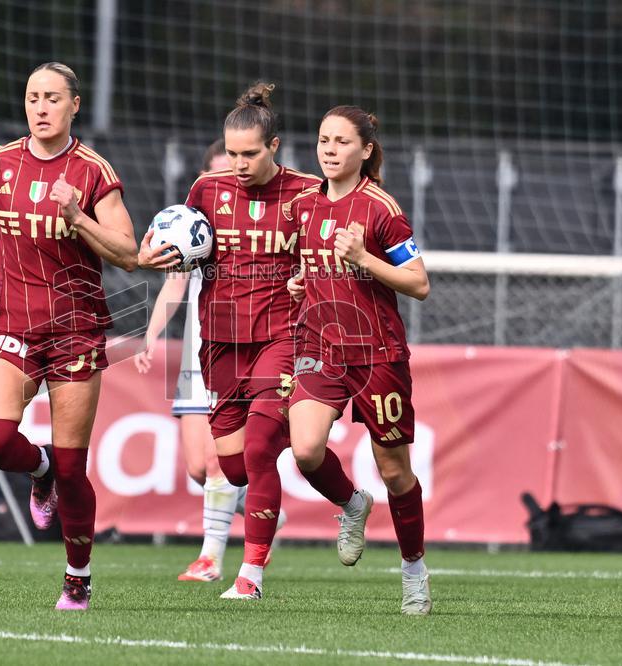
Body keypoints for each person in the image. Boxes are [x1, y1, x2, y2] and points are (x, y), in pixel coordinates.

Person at [0, 62, 137, 611]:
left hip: (76, 332)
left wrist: (78, 217)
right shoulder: (0, 162)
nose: (40, 107)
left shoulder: (92, 172)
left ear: (74, 105)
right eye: (32, 97)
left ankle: (77, 576)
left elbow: (128, 253)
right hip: (12, 322)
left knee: (76, 468)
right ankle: (40, 469)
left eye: (52, 98)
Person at [139, 83, 320, 600]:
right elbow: (185, 257)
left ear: (275, 146)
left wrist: (307, 279)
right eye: (232, 153)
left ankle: (250, 575)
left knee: (259, 451)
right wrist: (158, 254)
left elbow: (322, 256)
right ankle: (304, 479)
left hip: (282, 335)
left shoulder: (307, 194)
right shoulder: (205, 190)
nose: (238, 164)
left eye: (249, 153)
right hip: (220, 339)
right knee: (230, 464)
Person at [285, 106, 432, 615]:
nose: (328, 149)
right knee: (304, 450)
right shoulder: (304, 206)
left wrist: (365, 260)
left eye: (341, 142)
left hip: (377, 355)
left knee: (395, 473)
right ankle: (351, 503)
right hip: (318, 348)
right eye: (323, 139)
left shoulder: (382, 209)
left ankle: (413, 570)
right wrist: (297, 283)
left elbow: (419, 283)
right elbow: (307, 269)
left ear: (365, 151)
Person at [134, 139, 249, 583]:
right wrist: (150, 335)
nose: (228, 180)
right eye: (219, 173)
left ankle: (210, 559)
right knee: (199, 468)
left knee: (220, 461)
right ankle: (260, 503)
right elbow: (176, 285)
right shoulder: (195, 224)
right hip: (195, 352)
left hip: (238, 349)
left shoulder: (257, 221)